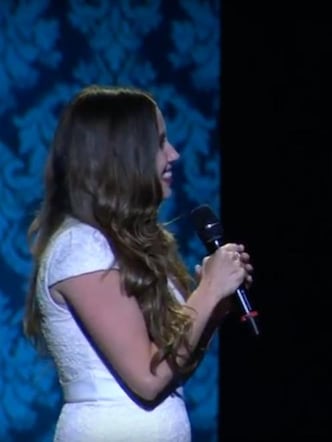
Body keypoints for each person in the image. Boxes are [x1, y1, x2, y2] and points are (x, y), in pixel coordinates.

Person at [22, 85, 252, 441]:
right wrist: (206, 291)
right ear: (123, 157)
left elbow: (170, 371)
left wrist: (214, 309)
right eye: (160, 143)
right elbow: (147, 378)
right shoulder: (81, 248)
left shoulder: (117, 245)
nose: (173, 155)